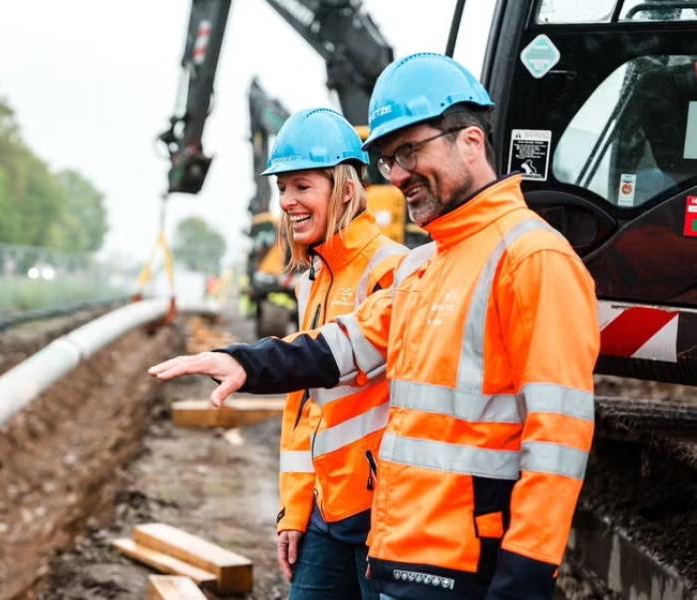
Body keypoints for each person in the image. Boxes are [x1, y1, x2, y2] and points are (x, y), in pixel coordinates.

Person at [150, 53, 599, 599]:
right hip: (400, 551)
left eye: (409, 150)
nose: (399, 174)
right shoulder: (423, 266)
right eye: (389, 159)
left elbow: (558, 440)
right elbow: (341, 346)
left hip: (465, 566)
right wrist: (242, 362)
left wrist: (524, 578)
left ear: (472, 143)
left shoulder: (532, 259)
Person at [261, 108, 407, 599]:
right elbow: (306, 408)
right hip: (328, 509)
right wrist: (294, 509)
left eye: (302, 187)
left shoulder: (393, 270)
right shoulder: (314, 279)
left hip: (384, 516)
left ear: (344, 188)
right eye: (283, 189)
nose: (287, 202)